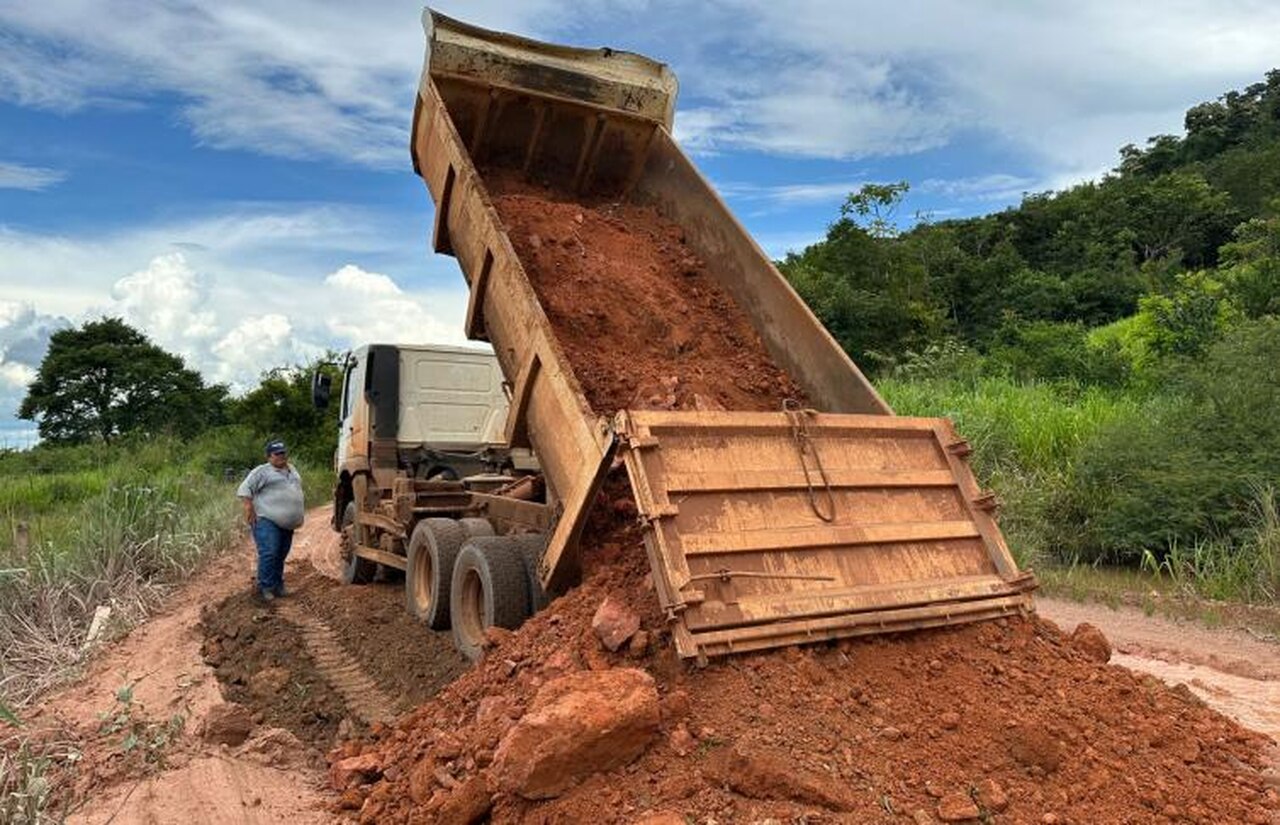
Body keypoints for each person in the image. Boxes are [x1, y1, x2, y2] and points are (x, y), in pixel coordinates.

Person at [236, 439, 305, 602]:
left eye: (283, 453)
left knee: (280, 554)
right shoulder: (262, 472)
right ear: (269, 456)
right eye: (277, 454)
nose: (281, 456)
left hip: (286, 523)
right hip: (266, 519)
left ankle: (277, 585)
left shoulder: (292, 470)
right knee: (270, 552)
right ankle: (264, 587)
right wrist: (249, 508)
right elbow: (244, 490)